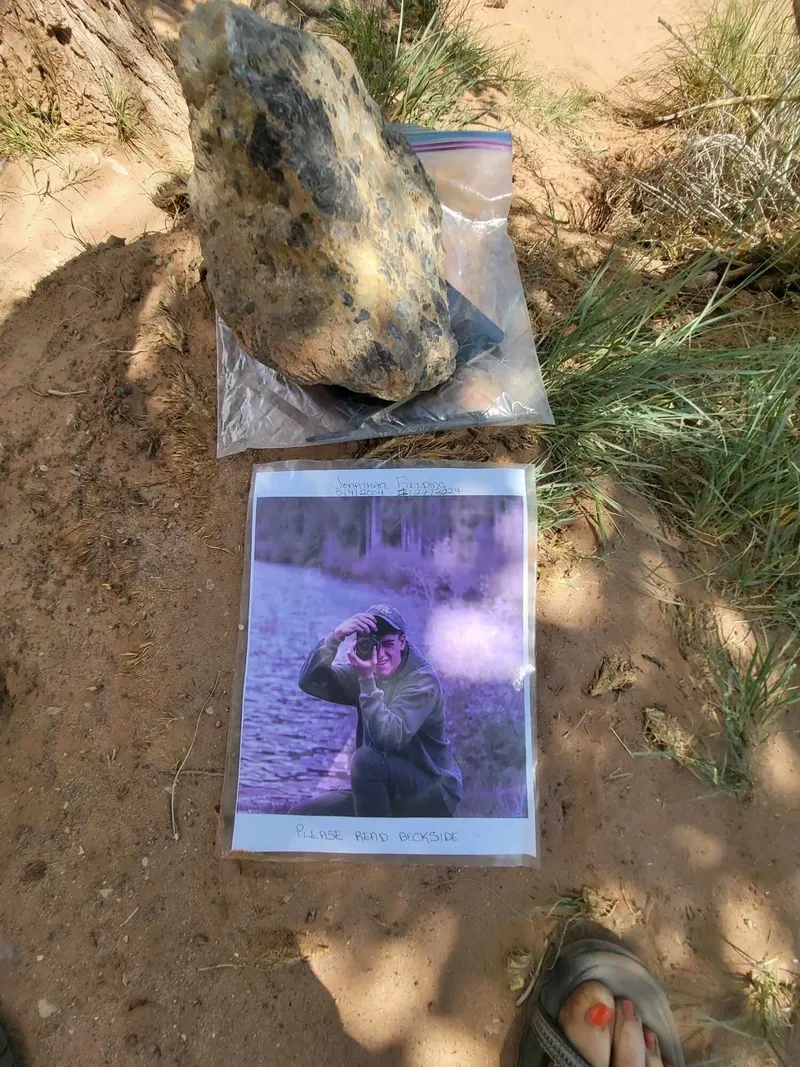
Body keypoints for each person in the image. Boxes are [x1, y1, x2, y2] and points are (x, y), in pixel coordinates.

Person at [292, 604, 462, 817]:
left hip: (433, 792)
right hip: (387, 784)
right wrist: (336, 636)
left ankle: (375, 843)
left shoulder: (422, 680)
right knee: (302, 815)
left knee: (365, 760)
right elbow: (310, 682)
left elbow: (390, 738)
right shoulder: (367, 670)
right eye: (373, 645)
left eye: (388, 644)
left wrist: (366, 679)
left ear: (402, 642)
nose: (380, 654)